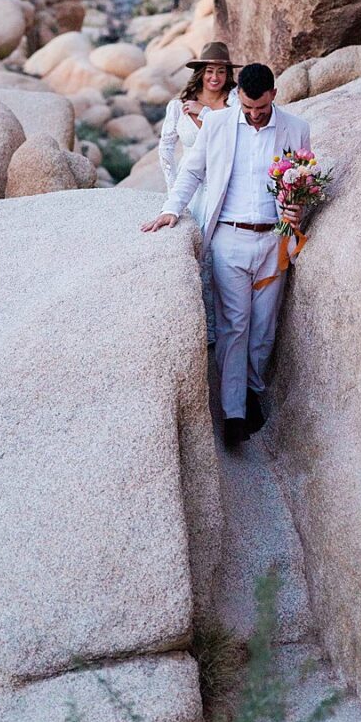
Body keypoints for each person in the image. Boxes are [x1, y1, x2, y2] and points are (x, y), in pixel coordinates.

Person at [142, 62, 312, 448]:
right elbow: (192, 172)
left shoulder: (296, 128)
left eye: (261, 108)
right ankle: (233, 412)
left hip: (274, 241)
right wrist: (171, 210)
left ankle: (252, 391)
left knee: (263, 328)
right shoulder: (218, 124)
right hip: (229, 239)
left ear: (273, 96)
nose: (254, 115)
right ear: (239, 99)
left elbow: (301, 182)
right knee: (235, 324)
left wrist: (297, 208)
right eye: (247, 108)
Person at [157, 41, 238, 344]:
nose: (214, 77)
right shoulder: (177, 106)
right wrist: (173, 188)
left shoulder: (234, 103)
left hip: (222, 185)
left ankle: (221, 327)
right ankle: (199, 326)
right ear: (201, 73)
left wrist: (206, 112)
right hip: (189, 188)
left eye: (220, 71)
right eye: (209, 71)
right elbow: (166, 148)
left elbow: (234, 135)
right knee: (194, 251)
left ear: (227, 75)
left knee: (219, 251)